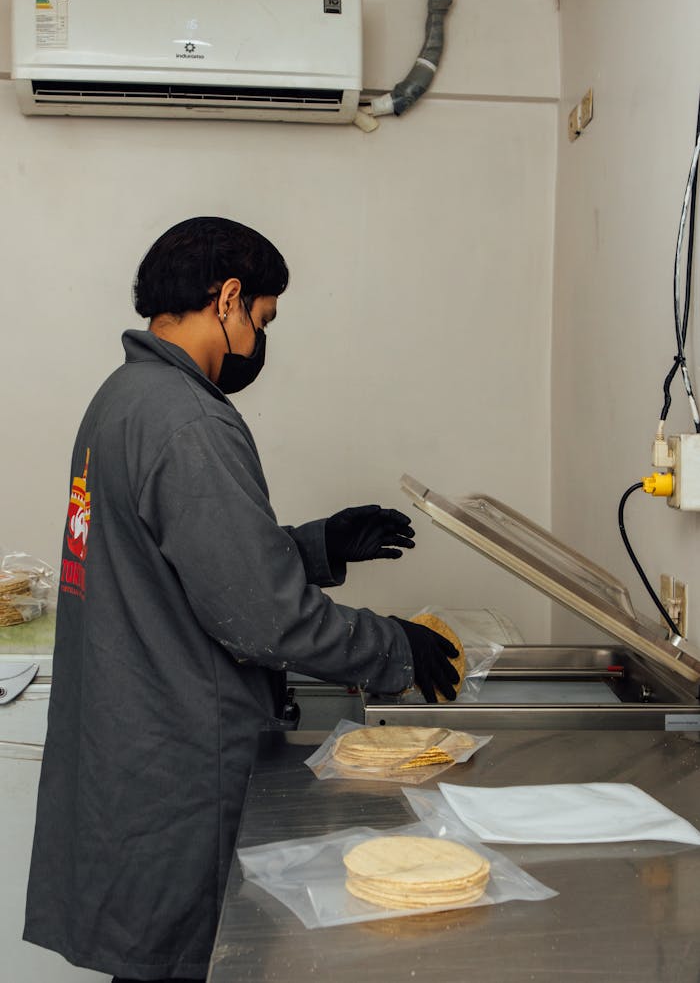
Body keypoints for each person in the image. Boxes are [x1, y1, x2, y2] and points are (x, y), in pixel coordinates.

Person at [23, 216, 459, 983]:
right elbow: (264, 616)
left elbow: (174, 568)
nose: (261, 338)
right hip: (178, 767)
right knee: (187, 966)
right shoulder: (188, 418)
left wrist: (322, 545)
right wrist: (396, 647)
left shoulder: (122, 400)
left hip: (125, 759)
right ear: (229, 298)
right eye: (263, 318)